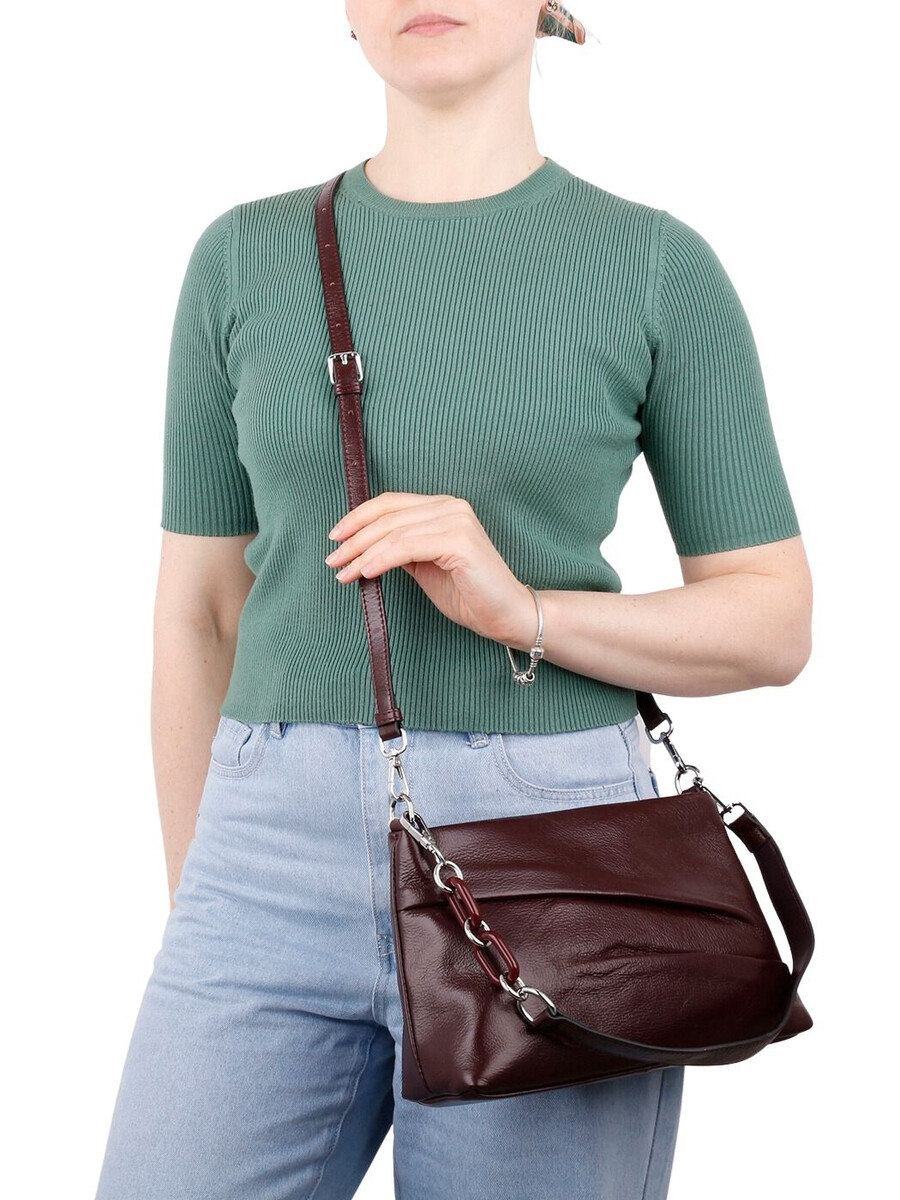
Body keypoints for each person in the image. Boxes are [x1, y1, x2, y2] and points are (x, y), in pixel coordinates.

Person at [94, 3, 813, 1197]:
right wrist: (204, 897)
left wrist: (525, 611)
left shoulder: (651, 263)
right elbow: (200, 613)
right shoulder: (244, 256)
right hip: (263, 850)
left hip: (553, 850)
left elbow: (772, 619)